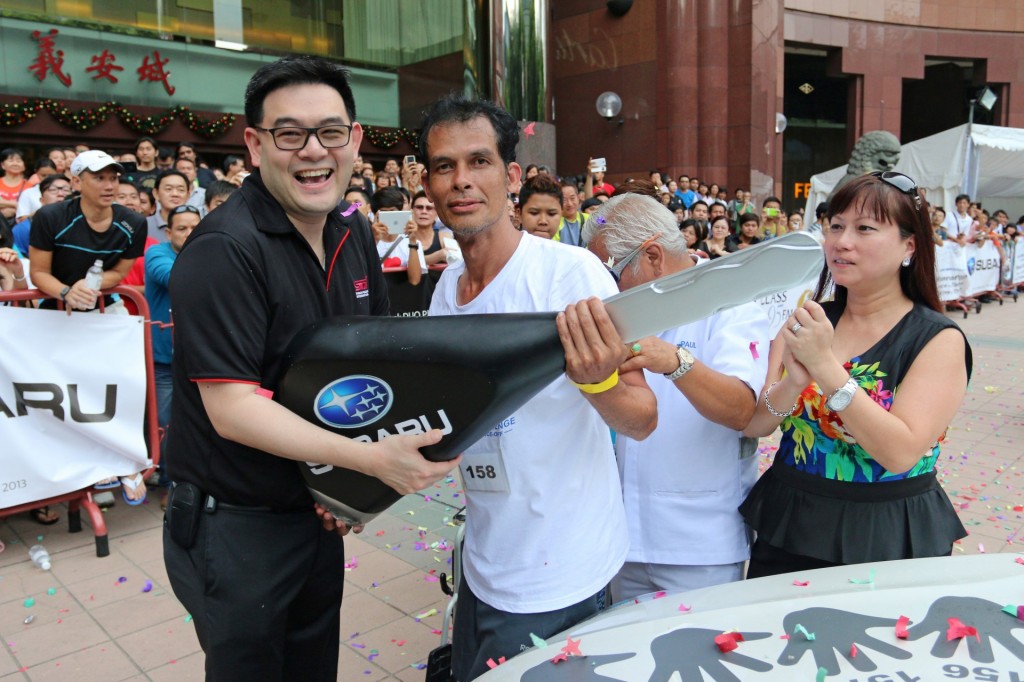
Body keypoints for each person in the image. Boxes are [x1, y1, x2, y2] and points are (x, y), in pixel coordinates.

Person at [163, 55, 458, 682]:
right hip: (234, 524)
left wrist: (344, 486)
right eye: (289, 134)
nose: (311, 151)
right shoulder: (224, 250)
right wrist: (371, 463)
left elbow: (367, 363)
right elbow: (233, 407)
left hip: (315, 510)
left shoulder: (351, 235)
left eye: (329, 131)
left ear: (353, 140)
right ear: (254, 144)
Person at [420, 93, 656, 681]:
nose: (462, 181)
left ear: (512, 177)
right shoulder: (445, 293)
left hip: (563, 570)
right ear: (427, 182)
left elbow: (642, 417)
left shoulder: (569, 275)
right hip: (484, 561)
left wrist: (596, 379)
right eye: (445, 166)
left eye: (479, 162)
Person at [740, 172, 971, 577]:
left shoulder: (936, 339)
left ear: (909, 245)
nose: (842, 241)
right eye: (835, 226)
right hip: (792, 518)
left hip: (885, 530)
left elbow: (899, 452)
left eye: (865, 228)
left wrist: (826, 368)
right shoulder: (811, 318)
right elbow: (758, 424)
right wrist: (793, 381)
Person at [584, 194, 769, 599]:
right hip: (620, 539)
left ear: (652, 256)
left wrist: (675, 362)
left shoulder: (732, 302)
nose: (605, 288)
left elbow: (742, 410)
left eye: (611, 272)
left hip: (698, 545)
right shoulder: (618, 311)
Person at [145, 204, 201, 507]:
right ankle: (170, 484)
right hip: (164, 360)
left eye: (196, 227)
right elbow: (176, 278)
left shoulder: (213, 252)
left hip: (200, 355)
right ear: (168, 232)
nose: (191, 234)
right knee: (168, 425)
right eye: (182, 228)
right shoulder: (158, 252)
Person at [12, 175, 73, 257]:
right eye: (53, 190)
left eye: (66, 190)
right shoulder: (24, 228)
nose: (61, 194)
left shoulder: (83, 224)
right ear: (42, 200)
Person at [146, 170, 191, 243]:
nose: (175, 194)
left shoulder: (197, 226)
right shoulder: (145, 225)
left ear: (188, 195)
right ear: (156, 193)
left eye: (180, 190)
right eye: (168, 189)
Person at [516, 173, 564, 239]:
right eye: (534, 213)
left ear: (561, 215)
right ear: (519, 214)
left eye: (551, 214)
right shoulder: (505, 249)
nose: (543, 221)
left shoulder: (567, 249)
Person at [0, 148, 28, 226]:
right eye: (11, 160)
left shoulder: (30, 186)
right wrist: (15, 205)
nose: (15, 163)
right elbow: (23, 206)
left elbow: (31, 208)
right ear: (2, 165)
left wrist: (4, 204)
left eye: (19, 161)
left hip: (19, 226)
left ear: (24, 166)